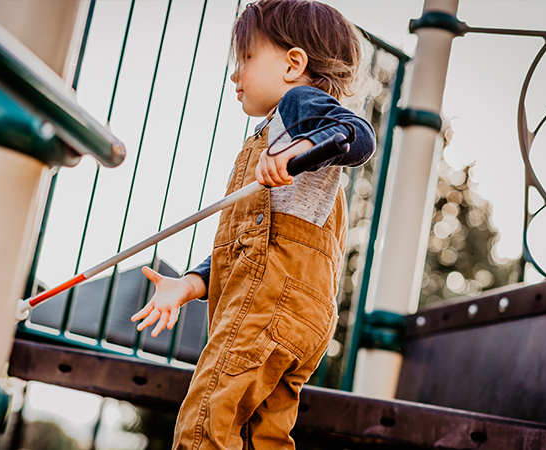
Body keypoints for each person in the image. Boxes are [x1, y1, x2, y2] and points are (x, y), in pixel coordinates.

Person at [131, 1, 375, 448]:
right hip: (295, 315)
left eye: (245, 58)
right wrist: (188, 283)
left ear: (293, 63)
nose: (234, 74)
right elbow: (250, 240)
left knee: (207, 421)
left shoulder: (300, 107)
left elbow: (358, 134)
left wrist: (299, 149)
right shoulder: (278, 129)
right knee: (260, 437)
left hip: (269, 303)